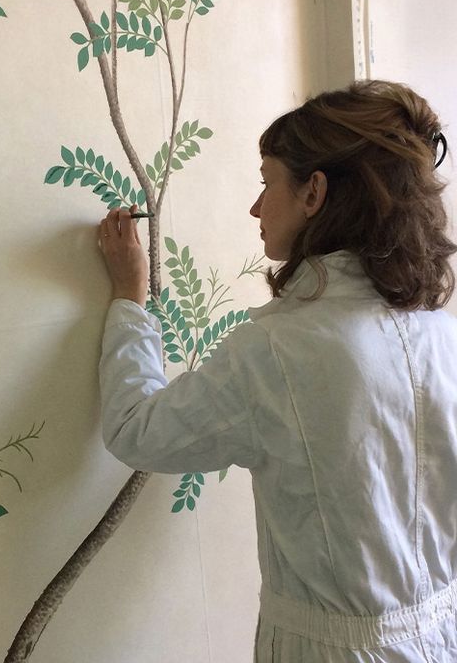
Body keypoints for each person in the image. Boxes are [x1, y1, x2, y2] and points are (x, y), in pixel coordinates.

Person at [97, 80, 457, 662]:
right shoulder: (443, 334)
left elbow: (138, 432)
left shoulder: (277, 348)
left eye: (267, 183)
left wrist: (128, 301)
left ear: (313, 192)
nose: (256, 207)